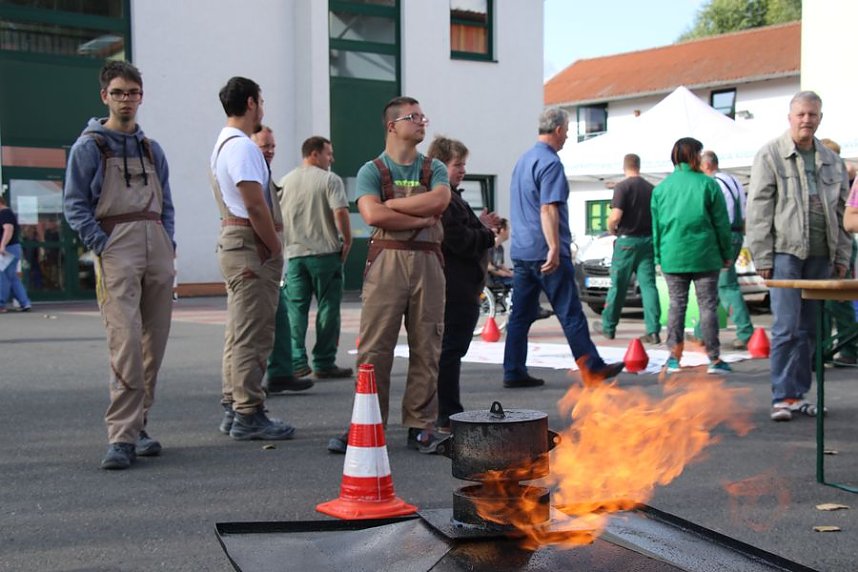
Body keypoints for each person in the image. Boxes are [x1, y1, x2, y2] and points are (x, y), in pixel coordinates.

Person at [63, 61, 175, 470]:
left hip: (155, 243)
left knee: (154, 342)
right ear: (104, 96)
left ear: (141, 96)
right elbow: (74, 205)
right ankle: (121, 437)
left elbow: (167, 203)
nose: (126, 100)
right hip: (117, 244)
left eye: (132, 93)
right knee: (125, 341)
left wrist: (168, 242)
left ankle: (138, 424)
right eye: (118, 93)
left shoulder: (151, 149)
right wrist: (102, 244)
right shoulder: (89, 147)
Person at [327, 96, 450, 454]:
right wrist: (420, 216)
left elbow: (440, 201)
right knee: (374, 349)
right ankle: (367, 423)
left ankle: (421, 425)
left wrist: (392, 204)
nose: (422, 122)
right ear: (392, 126)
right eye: (414, 117)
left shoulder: (434, 168)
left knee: (428, 346)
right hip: (387, 262)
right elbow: (372, 215)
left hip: (429, 262)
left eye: (423, 116)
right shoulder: (372, 170)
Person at [747, 91, 851, 422]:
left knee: (811, 329)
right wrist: (762, 255)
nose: (807, 119)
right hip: (785, 253)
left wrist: (842, 256)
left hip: (822, 255)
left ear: (820, 118)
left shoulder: (831, 160)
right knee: (786, 328)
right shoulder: (770, 155)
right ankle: (782, 396)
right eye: (801, 114)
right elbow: (758, 208)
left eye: (813, 114)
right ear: (790, 117)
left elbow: (843, 212)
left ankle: (799, 395)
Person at [502, 107, 624, 388]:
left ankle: (513, 370)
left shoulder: (523, 161)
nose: (567, 136)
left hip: (522, 250)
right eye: (567, 130)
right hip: (545, 251)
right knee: (570, 312)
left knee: (520, 315)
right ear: (557, 130)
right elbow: (548, 208)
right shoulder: (550, 163)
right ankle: (592, 368)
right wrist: (554, 248)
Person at [210, 77, 295, 440]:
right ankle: (248, 412)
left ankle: (234, 405)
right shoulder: (243, 147)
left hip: (236, 242)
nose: (262, 107)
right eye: (260, 101)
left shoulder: (223, 143)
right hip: (250, 245)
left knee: (239, 332)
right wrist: (274, 246)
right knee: (254, 335)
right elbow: (255, 204)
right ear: (250, 103)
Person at [427, 135, 497, 440]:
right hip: (455, 287)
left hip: (460, 286)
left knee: (449, 351)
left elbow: (462, 232)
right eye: (458, 164)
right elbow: (459, 240)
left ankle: (444, 411)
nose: (463, 170)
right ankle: (447, 413)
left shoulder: (451, 198)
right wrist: (488, 234)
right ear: (441, 166)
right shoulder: (444, 200)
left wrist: (481, 226)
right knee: (449, 352)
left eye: (464, 164)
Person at [651, 137, 732, 375]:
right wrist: (726, 252)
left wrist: (658, 256)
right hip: (705, 254)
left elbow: (656, 227)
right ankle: (714, 358)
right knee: (708, 306)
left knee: (676, 305)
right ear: (695, 156)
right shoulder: (708, 184)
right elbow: (721, 223)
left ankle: (674, 358)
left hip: (672, 254)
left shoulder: (661, 188)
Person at [280, 136, 353, 380]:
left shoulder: (285, 182)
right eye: (328, 154)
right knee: (328, 309)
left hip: (295, 255)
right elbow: (340, 211)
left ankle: (296, 360)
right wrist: (347, 239)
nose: (332, 159)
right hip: (325, 253)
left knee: (296, 310)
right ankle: (324, 361)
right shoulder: (329, 180)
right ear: (314, 154)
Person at [250, 126, 313, 394]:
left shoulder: (265, 174)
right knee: (254, 323)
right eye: (265, 146)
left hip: (274, 257)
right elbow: (253, 210)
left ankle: (281, 372)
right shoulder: (250, 172)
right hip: (258, 255)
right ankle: (245, 390)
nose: (270, 151)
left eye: (273, 146)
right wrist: (275, 247)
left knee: (280, 316)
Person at [688, 150, 755, 350]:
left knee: (726, 286)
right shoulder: (734, 181)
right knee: (716, 286)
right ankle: (701, 332)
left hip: (723, 237)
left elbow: (712, 215)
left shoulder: (713, 183)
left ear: (706, 165)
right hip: (737, 234)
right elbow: (744, 211)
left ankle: (746, 332)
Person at [598, 153, 660, 344]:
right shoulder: (650, 188)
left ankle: (609, 326)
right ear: (639, 166)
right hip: (647, 241)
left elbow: (615, 216)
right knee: (648, 286)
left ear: (624, 167)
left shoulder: (622, 187)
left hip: (626, 242)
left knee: (618, 285)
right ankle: (653, 330)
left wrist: (611, 229)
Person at [818, 139, 857, 366]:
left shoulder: (837, 173)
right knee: (825, 301)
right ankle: (824, 349)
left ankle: (847, 349)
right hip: (832, 243)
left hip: (840, 244)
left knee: (838, 300)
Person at [0, 195, 32, 313]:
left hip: (8, 249)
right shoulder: (7, 213)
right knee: (12, 277)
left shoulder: (5, 213)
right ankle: (25, 302)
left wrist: (2, 245)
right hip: (12, 248)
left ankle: (1, 303)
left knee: (2, 276)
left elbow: (8, 229)